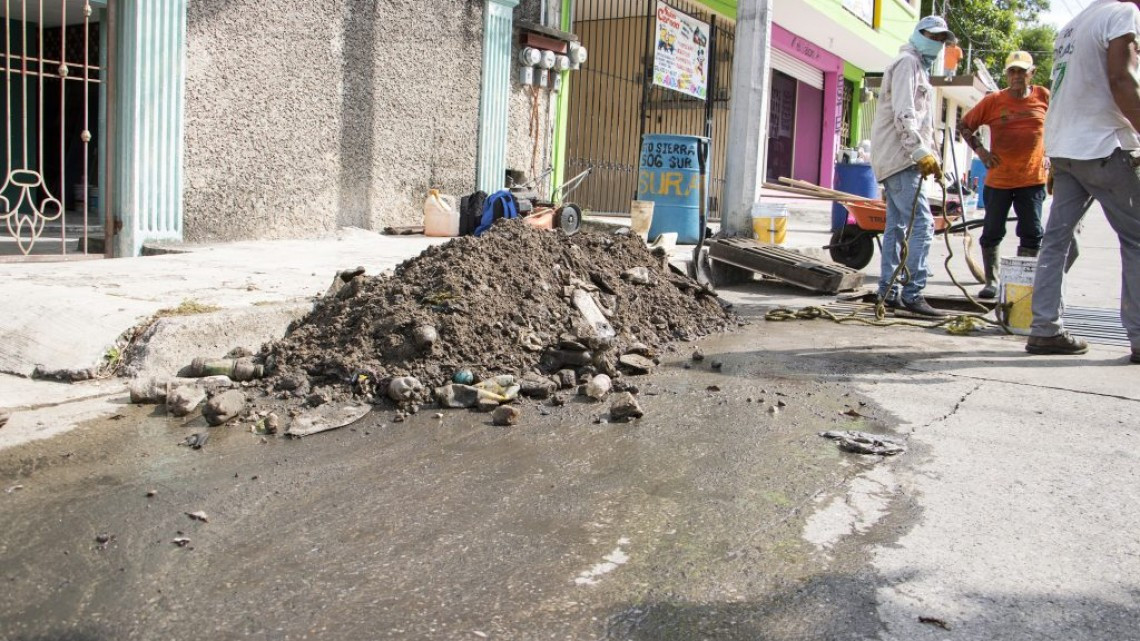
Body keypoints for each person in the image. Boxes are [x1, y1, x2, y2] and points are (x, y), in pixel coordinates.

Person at [1027, 0, 1140, 364]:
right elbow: (1122, 79)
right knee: (1137, 239)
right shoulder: (1123, 14)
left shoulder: (1071, 25)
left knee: (1055, 241)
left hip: (1065, 148)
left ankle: (1044, 329)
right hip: (1103, 144)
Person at [869, 15, 953, 317]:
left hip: (900, 159)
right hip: (900, 158)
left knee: (897, 226)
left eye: (942, 40)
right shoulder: (907, 64)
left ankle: (888, 291)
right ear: (919, 35)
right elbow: (905, 115)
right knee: (923, 224)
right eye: (933, 37)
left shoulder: (919, 68)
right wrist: (919, 152)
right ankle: (913, 293)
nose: (937, 44)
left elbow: (922, 122)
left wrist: (933, 159)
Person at [959, 51, 1050, 299]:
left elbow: (1060, 125)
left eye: (1022, 71)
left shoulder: (1043, 96)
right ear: (1007, 74)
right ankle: (992, 282)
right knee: (992, 231)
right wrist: (982, 152)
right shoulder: (993, 101)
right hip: (999, 180)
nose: (1017, 76)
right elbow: (964, 125)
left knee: (1032, 233)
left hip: (1032, 180)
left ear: (1032, 73)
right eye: (1012, 71)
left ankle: (1022, 285)